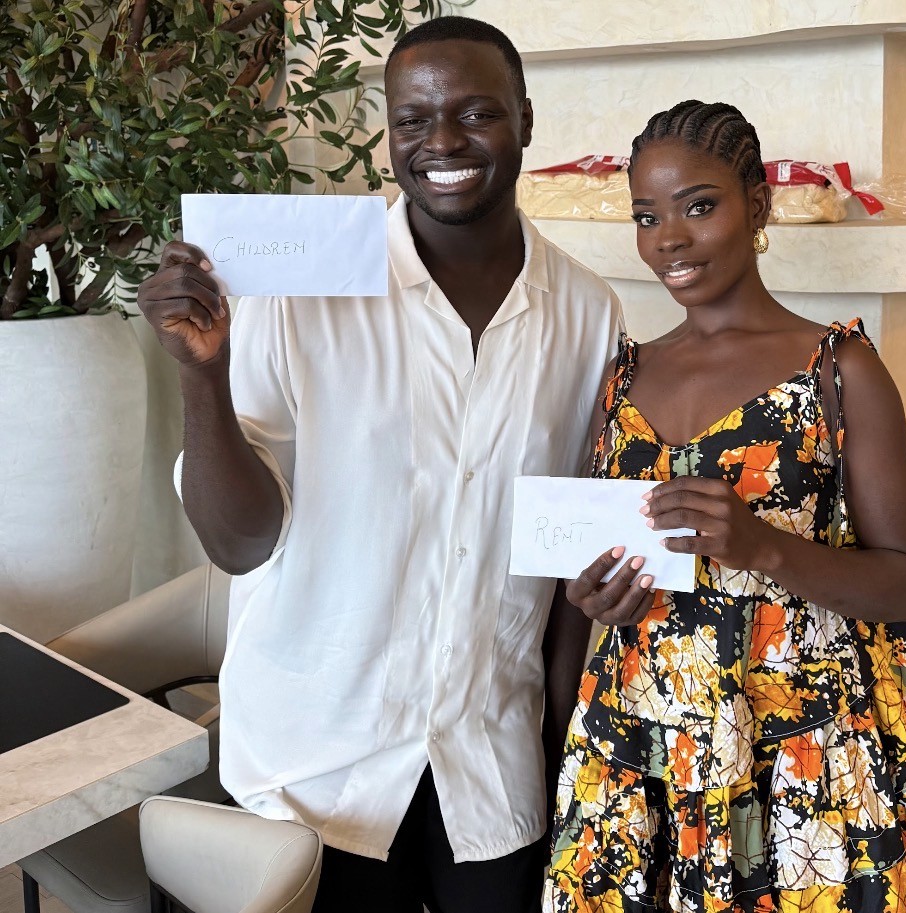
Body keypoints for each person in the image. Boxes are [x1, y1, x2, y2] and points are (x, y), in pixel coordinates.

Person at [136, 16, 621, 913]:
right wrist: (202, 378)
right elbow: (240, 542)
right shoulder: (298, 289)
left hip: (492, 767)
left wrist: (569, 737)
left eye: (476, 113)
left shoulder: (589, 315)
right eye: (413, 119)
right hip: (312, 766)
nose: (442, 142)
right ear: (387, 130)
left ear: (525, 117)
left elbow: (570, 555)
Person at [544, 101, 906, 912]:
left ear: (759, 205)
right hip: (642, 742)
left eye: (699, 205)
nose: (669, 236)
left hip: (795, 745)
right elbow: (589, 565)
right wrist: (589, 597)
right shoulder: (623, 378)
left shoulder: (837, 371)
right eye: (647, 215)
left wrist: (764, 545)